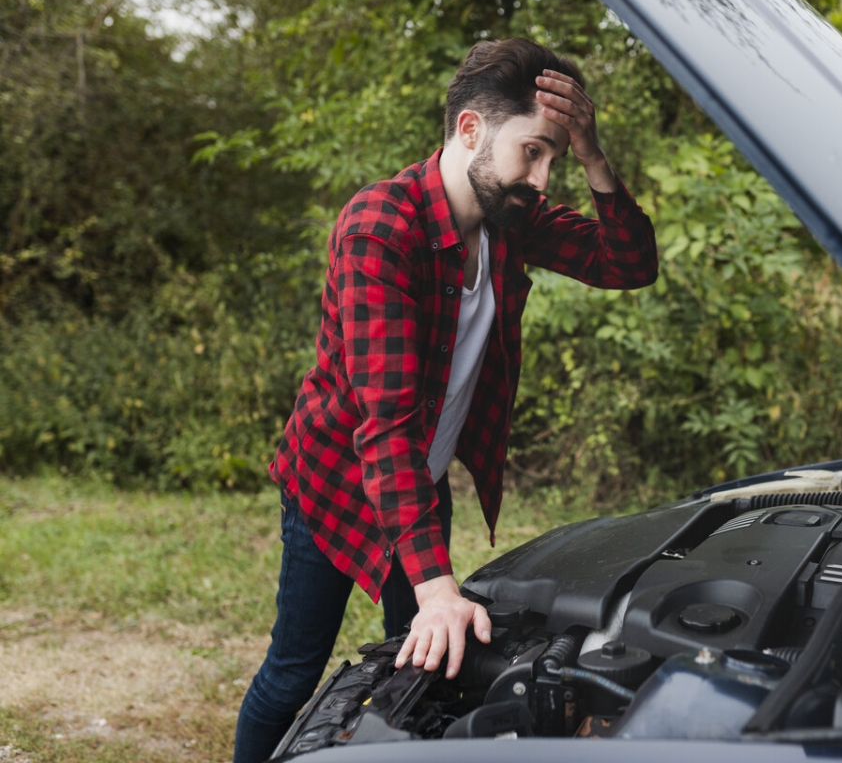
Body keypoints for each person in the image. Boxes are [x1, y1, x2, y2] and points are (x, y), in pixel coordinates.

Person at [232, 37, 658, 762]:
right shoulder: (380, 228)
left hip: (418, 487)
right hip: (336, 482)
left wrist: (592, 153)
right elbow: (387, 425)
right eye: (534, 152)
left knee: (425, 660)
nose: (544, 177)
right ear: (470, 131)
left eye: (555, 157)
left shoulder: (508, 218)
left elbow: (628, 264)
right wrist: (437, 587)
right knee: (294, 669)